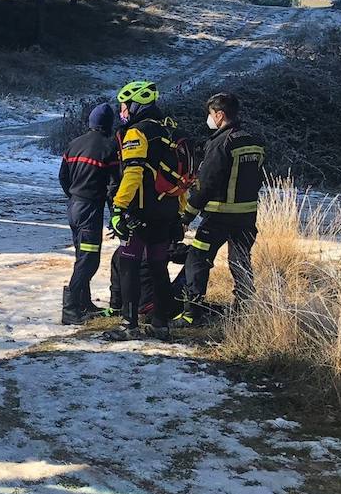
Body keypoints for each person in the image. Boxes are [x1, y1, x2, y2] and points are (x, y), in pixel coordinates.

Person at [175, 91, 265, 327]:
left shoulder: (219, 144)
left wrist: (187, 216)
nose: (209, 118)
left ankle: (191, 313)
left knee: (197, 259)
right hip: (247, 216)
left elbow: (206, 185)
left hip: (219, 216)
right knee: (240, 261)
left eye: (210, 114)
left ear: (220, 115)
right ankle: (245, 310)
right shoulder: (254, 142)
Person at [108, 80, 188, 339]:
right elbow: (183, 179)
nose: (122, 111)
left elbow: (132, 174)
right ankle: (160, 324)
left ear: (136, 105)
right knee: (158, 268)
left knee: (128, 265)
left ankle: (129, 324)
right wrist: (180, 211)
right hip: (167, 211)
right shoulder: (171, 130)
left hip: (140, 212)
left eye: (124, 105)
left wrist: (118, 207)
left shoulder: (137, 133)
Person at [58, 103, 119, 324]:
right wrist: (116, 213)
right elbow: (113, 185)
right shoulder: (109, 148)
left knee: (81, 256)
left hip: (74, 206)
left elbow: (63, 177)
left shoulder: (74, 144)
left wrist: (74, 195)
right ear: (109, 124)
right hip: (91, 209)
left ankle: (84, 302)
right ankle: (70, 309)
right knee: (89, 260)